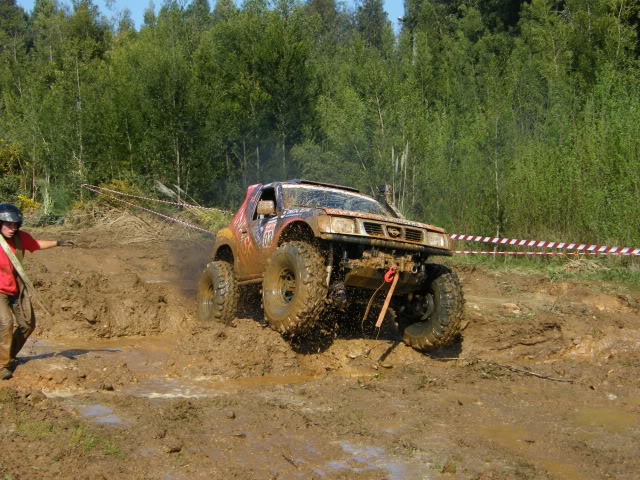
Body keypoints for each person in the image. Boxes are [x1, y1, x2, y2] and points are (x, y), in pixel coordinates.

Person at [0, 203, 75, 380]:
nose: (13, 228)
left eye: (15, 225)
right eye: (8, 224)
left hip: (16, 289)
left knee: (28, 324)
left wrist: (59, 242)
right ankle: (2, 365)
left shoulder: (20, 238)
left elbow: (36, 244)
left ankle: (7, 354)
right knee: (5, 323)